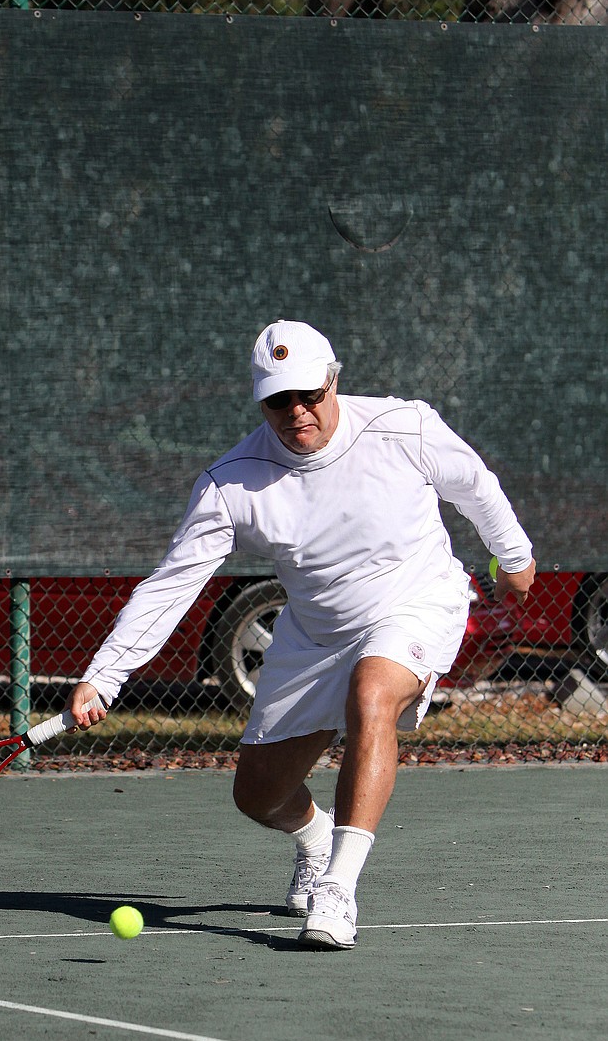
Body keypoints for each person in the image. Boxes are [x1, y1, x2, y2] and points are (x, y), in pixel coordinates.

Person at [68, 320, 536, 950]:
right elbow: (171, 585)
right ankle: (316, 841)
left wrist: (513, 556)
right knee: (259, 795)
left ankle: (339, 890)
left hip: (415, 600)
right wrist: (105, 673)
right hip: (314, 633)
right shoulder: (231, 483)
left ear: (333, 381)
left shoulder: (404, 427)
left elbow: (474, 485)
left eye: (309, 395)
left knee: (371, 694)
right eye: (278, 400)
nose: (297, 412)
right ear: (261, 401)